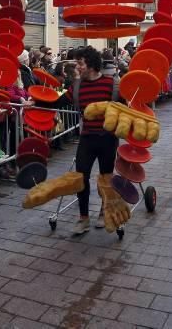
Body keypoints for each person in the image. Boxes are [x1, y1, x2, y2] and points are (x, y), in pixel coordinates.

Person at [69, 46, 119, 236]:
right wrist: (35, 102)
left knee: (106, 179)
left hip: (107, 138)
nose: (77, 67)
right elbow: (60, 101)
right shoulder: (77, 86)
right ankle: (83, 218)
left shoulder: (111, 84)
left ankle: (103, 212)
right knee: (81, 178)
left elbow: (124, 105)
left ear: (91, 64)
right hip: (87, 138)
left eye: (80, 63)